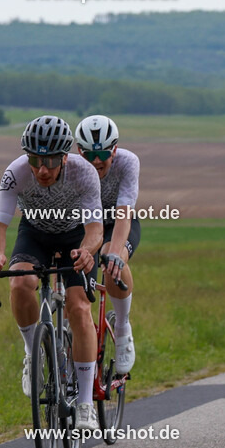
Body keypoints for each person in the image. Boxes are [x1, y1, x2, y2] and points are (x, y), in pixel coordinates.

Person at [0, 116, 103, 430]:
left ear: (65, 157)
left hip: (75, 237)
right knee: (21, 282)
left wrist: (87, 252)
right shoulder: (16, 173)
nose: (42, 170)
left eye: (50, 161)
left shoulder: (84, 173)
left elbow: (95, 229)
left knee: (78, 307)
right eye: (35, 160)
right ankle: (31, 353)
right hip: (34, 233)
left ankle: (85, 404)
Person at [74, 115, 139, 373]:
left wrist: (113, 253)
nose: (97, 161)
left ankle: (123, 329)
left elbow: (124, 212)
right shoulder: (72, 167)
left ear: (114, 149)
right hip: (86, 224)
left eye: (103, 153)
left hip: (117, 222)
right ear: (79, 153)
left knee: (113, 261)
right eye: (90, 155)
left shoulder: (127, 162)